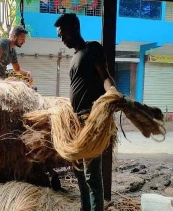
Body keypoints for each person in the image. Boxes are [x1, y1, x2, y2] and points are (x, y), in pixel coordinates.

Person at [54, 13, 116, 211]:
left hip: (91, 118)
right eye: (59, 35)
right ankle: (85, 208)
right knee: (79, 170)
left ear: (75, 27)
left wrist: (112, 93)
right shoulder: (74, 58)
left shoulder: (92, 48)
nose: (61, 38)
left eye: (63, 33)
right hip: (77, 120)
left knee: (91, 173)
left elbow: (105, 77)